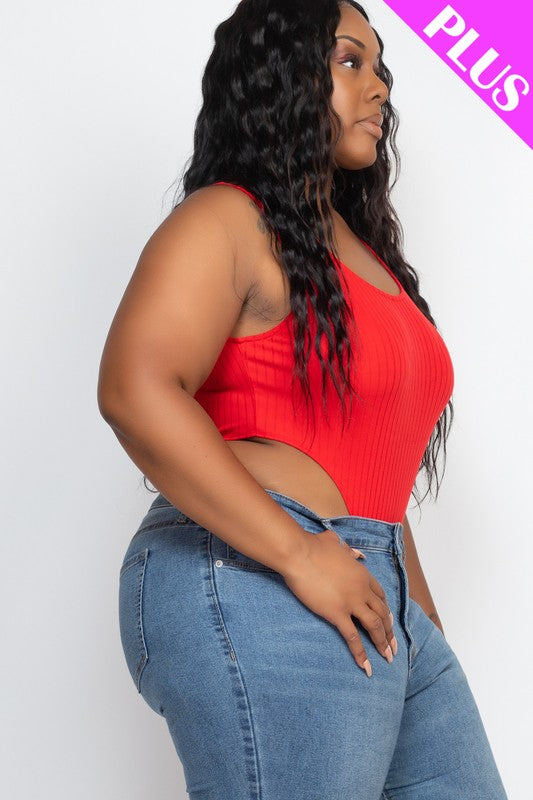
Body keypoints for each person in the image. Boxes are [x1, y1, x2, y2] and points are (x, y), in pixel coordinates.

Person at [97, 1, 509, 798]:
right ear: (279, 77)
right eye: (349, 61)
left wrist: (420, 621)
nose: (378, 86)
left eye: (381, 66)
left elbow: (372, 468)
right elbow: (133, 388)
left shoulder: (358, 253)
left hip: (368, 581)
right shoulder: (227, 219)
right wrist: (296, 552)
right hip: (257, 567)